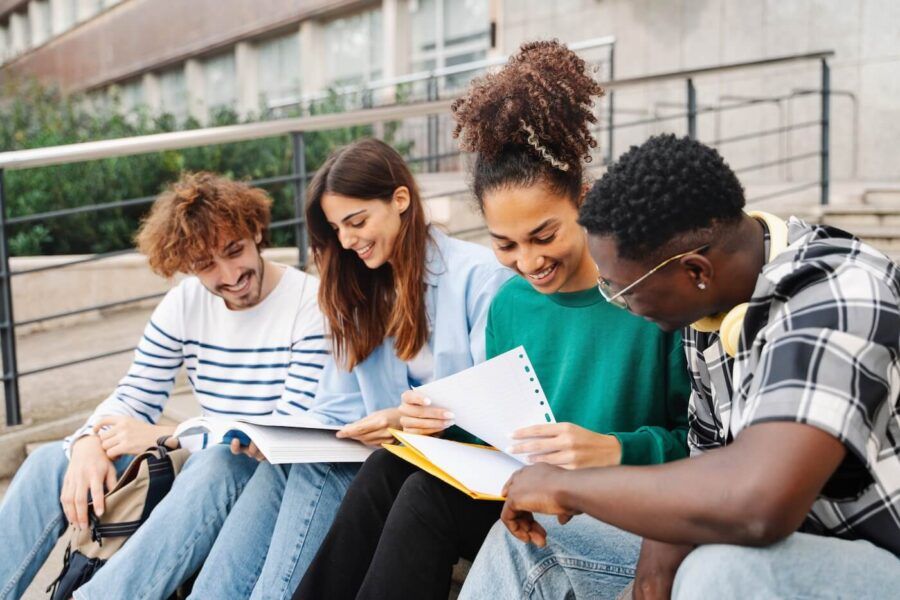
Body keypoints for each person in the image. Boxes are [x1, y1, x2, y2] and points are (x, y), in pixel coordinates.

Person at [294, 41, 691, 600]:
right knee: (392, 473)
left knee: (421, 500)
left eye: (544, 235)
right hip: (526, 494)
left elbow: (699, 445)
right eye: (505, 244)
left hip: (614, 507)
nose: (528, 262)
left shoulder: (650, 299)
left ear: (584, 198)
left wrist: (614, 448)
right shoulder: (513, 304)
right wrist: (434, 421)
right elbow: (505, 427)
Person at [461, 134, 900, 600]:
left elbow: (758, 505)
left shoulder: (838, 296)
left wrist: (571, 488)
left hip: (875, 557)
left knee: (718, 570)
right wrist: (645, 586)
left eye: (623, 289)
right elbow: (700, 475)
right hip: (779, 547)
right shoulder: (707, 312)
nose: (621, 304)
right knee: (534, 544)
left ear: (695, 271)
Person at [187, 138, 511, 600]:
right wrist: (284, 435)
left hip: (469, 466)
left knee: (346, 471)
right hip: (399, 459)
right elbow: (336, 404)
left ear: (400, 200)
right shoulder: (362, 293)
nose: (345, 240)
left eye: (356, 222)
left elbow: (495, 398)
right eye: (337, 228)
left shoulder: (480, 278)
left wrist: (404, 419)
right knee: (290, 465)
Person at [0, 172, 328, 600]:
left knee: (219, 465)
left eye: (235, 251)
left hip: (257, 477)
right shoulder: (185, 302)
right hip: (194, 464)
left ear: (257, 231)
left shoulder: (311, 303)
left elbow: (280, 432)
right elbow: (135, 393)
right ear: (188, 266)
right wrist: (86, 443)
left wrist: (168, 436)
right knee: (50, 461)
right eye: (206, 265)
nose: (230, 275)